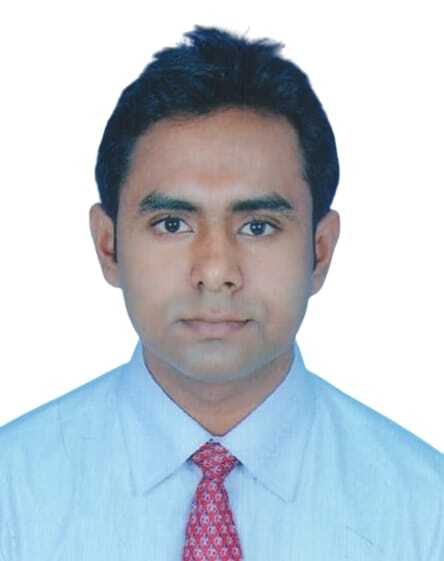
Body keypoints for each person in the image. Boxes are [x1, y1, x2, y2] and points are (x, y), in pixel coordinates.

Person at [0, 24, 442, 561]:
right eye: (172, 224)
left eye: (257, 226)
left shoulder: (426, 511)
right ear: (108, 246)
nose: (215, 272)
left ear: (320, 251)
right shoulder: (12, 495)